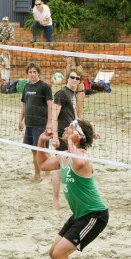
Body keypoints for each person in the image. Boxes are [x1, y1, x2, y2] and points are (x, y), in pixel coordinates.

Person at [36, 120, 108, 259]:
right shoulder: (64, 157)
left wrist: (72, 144)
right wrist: (41, 142)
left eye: (69, 128)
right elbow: (42, 165)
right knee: (54, 252)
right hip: (79, 215)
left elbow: (80, 162)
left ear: (77, 134)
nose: (65, 129)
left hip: (94, 215)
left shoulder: (81, 155)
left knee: (60, 254)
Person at [51, 66, 81, 209]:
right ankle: (56, 201)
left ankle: (61, 200)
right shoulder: (62, 93)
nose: (75, 80)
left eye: (77, 78)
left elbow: (74, 117)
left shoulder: (72, 94)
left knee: (67, 167)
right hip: (63, 136)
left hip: (70, 134)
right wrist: (55, 136)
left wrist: (82, 131)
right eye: (72, 77)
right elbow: (54, 116)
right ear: (67, 78)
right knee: (60, 168)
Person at [18, 62, 53, 182]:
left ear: (38, 73)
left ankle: (47, 176)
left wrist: (49, 123)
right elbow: (24, 105)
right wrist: (20, 120)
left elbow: (50, 105)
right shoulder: (27, 87)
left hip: (40, 125)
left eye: (34, 72)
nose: (32, 74)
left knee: (43, 151)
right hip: (30, 124)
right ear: (28, 74)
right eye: (30, 72)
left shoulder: (44, 87)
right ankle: (37, 175)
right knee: (34, 151)